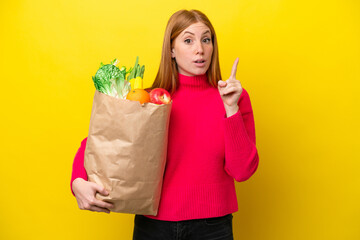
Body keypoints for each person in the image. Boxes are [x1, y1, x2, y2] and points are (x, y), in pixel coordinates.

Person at [71, 9, 259, 240]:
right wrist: (77, 181)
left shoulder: (234, 98)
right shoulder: (149, 100)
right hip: (154, 226)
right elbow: (100, 142)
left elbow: (242, 171)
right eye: (188, 40)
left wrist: (231, 109)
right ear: (171, 49)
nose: (200, 49)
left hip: (213, 227)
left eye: (206, 39)